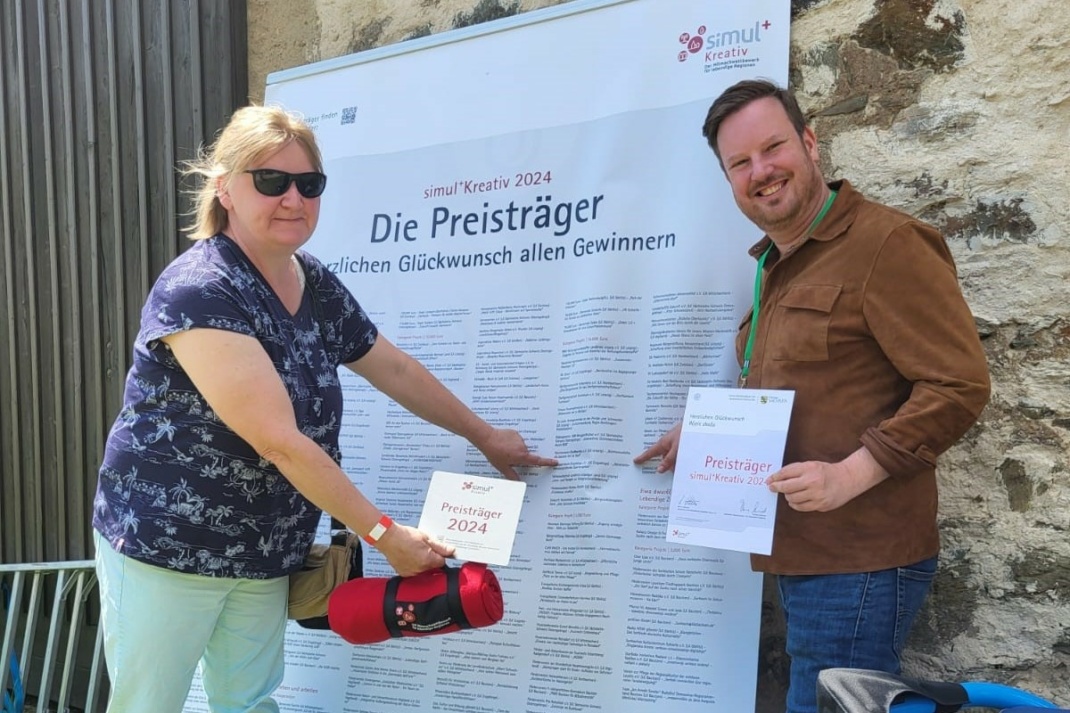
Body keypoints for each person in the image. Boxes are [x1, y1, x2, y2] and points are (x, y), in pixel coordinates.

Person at [91, 104, 557, 713]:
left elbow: (392, 367)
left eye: (309, 185)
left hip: (264, 550)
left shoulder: (311, 280)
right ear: (226, 187)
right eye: (271, 181)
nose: (293, 198)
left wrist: (483, 435)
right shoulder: (200, 288)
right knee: (148, 705)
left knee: (250, 703)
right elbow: (277, 440)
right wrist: (385, 535)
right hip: (167, 549)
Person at [634, 80, 990, 713]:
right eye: (739, 163)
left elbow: (958, 384)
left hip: (860, 559)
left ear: (810, 142)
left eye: (773, 149)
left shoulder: (888, 244)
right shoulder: (774, 263)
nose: (760, 172)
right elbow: (792, 382)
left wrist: (851, 474)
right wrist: (707, 430)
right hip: (802, 552)